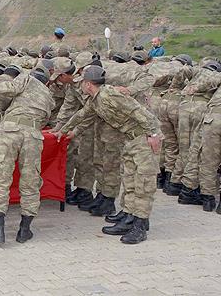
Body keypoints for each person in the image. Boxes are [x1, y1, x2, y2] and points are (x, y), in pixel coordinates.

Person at [56, 65, 161, 244]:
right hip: (130, 140)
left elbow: (138, 110)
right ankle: (129, 216)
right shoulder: (96, 99)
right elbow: (82, 115)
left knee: (142, 184)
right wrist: (65, 131)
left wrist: (154, 134)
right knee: (129, 181)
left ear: (89, 84)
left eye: (82, 83)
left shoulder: (110, 95)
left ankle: (140, 225)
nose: (80, 86)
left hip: (143, 139)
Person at [0, 67, 54, 245]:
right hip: (33, 135)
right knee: (30, 182)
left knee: (0, 178)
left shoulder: (27, 79)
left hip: (9, 131)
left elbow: (10, 87)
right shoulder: (49, 96)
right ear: (47, 82)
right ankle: (24, 230)